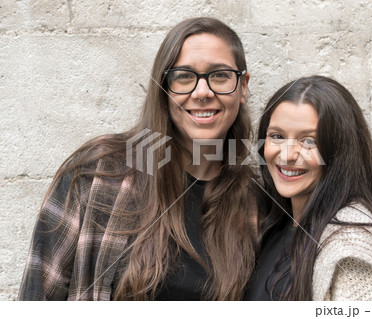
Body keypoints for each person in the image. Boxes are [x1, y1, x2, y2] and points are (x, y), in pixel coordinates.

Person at [19, 17, 258, 301]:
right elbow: (38, 296)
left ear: (242, 87)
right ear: (164, 88)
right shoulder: (97, 173)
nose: (202, 92)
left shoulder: (256, 202)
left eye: (219, 75)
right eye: (184, 76)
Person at [245, 75, 372, 301]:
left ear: (340, 152)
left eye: (309, 141)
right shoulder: (278, 226)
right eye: (277, 136)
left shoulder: (352, 251)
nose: (286, 155)